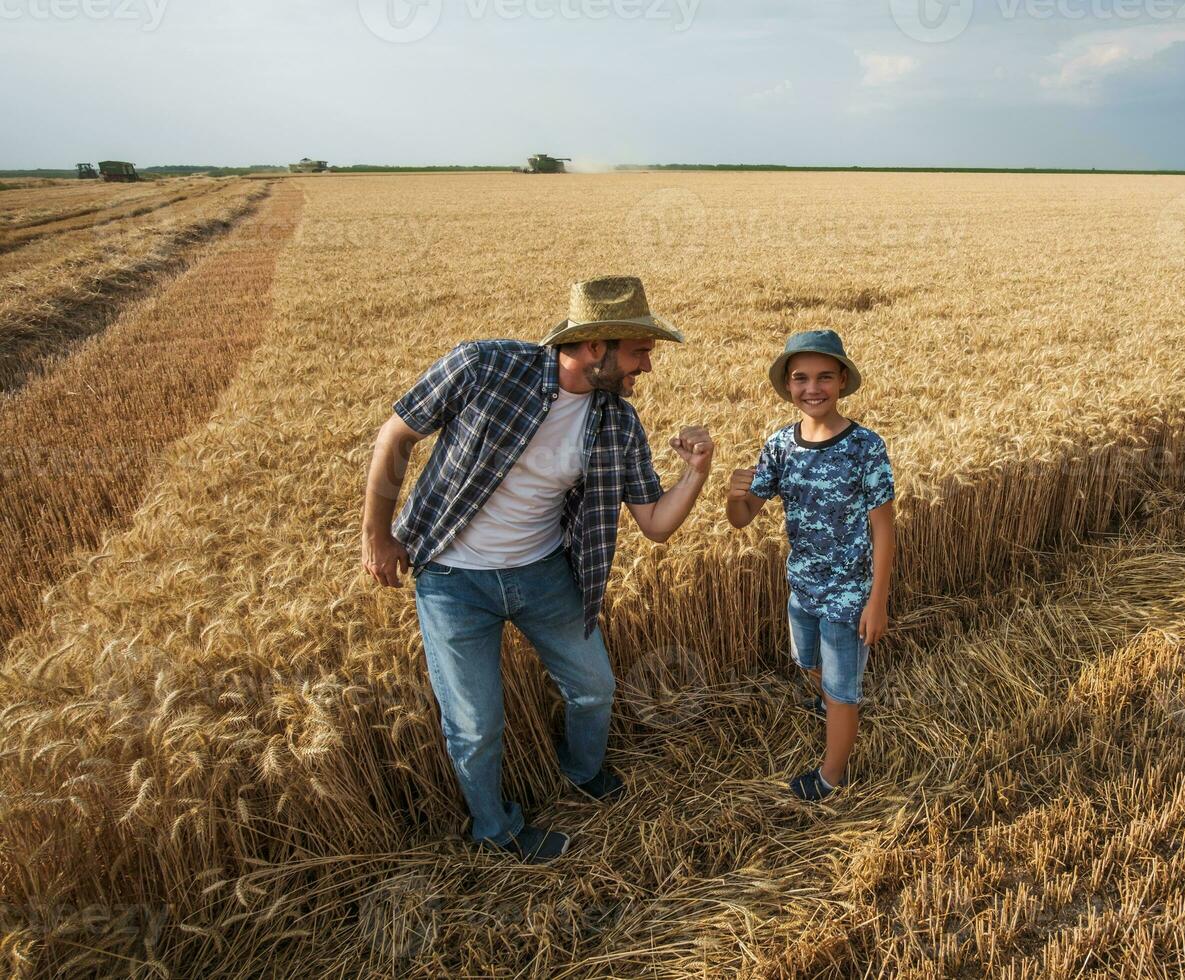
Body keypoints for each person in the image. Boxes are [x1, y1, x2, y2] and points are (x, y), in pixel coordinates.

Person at [361, 276, 715, 862]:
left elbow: (654, 523)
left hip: (544, 574)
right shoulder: (485, 366)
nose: (647, 366)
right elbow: (396, 436)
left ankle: (580, 772)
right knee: (475, 724)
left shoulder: (616, 422)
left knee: (594, 688)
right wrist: (378, 534)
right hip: (453, 579)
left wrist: (697, 472)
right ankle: (494, 830)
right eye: (640, 350)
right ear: (595, 347)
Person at [725, 329, 896, 801]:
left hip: (849, 594)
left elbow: (884, 527)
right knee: (807, 662)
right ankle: (831, 705)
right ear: (788, 385)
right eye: (800, 378)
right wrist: (733, 495)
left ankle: (831, 776)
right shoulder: (780, 445)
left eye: (824, 376)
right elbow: (743, 520)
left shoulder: (866, 447)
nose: (812, 388)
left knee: (842, 691)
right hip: (801, 586)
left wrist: (876, 601)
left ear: (842, 380)